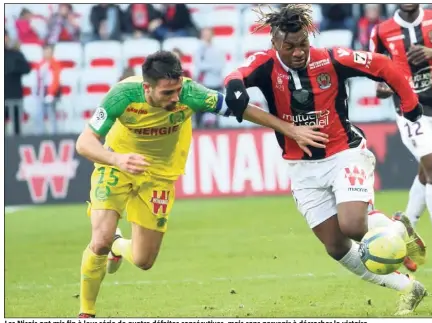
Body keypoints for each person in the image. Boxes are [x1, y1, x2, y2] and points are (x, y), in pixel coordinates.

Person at [75, 50, 328, 318]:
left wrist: (290, 129)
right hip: (117, 164)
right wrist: (117, 159)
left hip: (159, 175)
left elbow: (243, 109)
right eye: (167, 93)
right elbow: (85, 143)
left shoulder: (191, 93)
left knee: (143, 260)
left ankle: (118, 246)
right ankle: (86, 312)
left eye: (178, 90)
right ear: (146, 87)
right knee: (99, 240)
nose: (176, 98)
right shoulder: (122, 96)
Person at [224, 5, 427, 316]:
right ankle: (408, 286)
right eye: (289, 46)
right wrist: (235, 87)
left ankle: (397, 232)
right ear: (275, 44)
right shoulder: (265, 66)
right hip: (301, 167)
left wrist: (410, 104)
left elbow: (384, 65)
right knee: (335, 247)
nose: (297, 52)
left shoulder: (332, 58)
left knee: (353, 226)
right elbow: (235, 76)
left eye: (302, 44)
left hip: (343, 153)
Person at [370, 4, 432, 271]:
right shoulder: (381, 31)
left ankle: (400, 231)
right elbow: (374, 71)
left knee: (426, 174)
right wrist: (381, 86)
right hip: (408, 111)